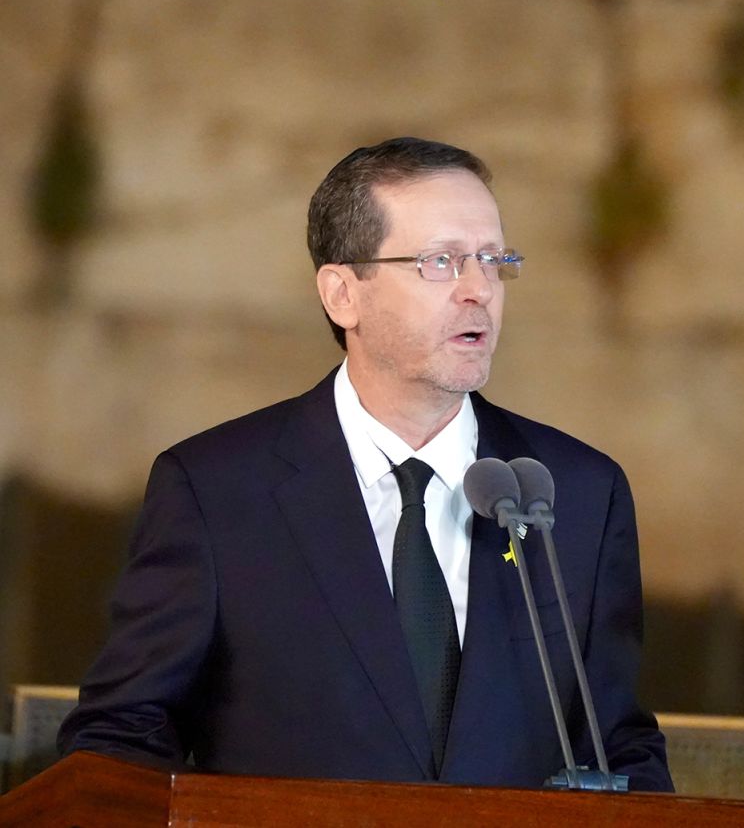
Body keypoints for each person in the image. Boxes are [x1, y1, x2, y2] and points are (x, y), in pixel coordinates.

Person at [57, 137, 673, 791]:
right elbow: (121, 740)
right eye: (441, 261)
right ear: (342, 294)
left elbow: (617, 747)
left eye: (493, 260)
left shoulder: (575, 491)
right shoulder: (217, 490)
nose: (479, 291)